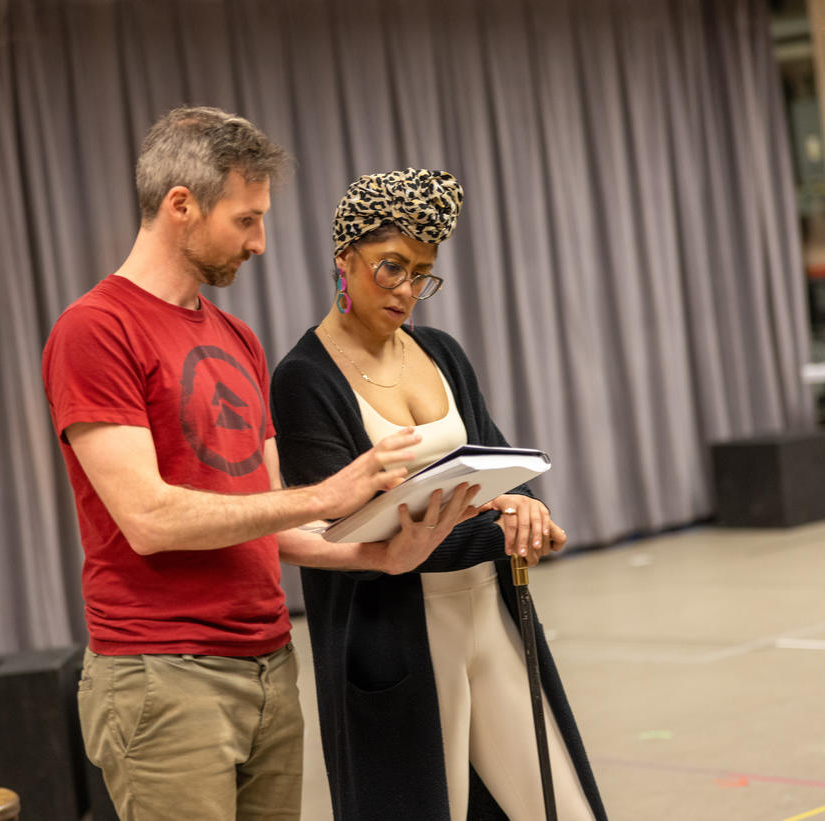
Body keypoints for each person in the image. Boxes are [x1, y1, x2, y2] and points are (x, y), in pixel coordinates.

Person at [41, 113, 481, 821]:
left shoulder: (236, 337)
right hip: (164, 676)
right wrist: (327, 494)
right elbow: (150, 519)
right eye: (247, 219)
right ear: (182, 205)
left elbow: (265, 524)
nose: (260, 242)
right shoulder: (96, 329)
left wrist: (381, 555)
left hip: (269, 665)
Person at [271, 168, 609, 820]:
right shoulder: (304, 378)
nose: (407, 291)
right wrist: (501, 523)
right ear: (345, 256)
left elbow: (507, 466)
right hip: (394, 644)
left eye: (422, 274)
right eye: (391, 268)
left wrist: (530, 508)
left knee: (565, 806)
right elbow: (358, 530)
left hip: (492, 619)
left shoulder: (442, 352)